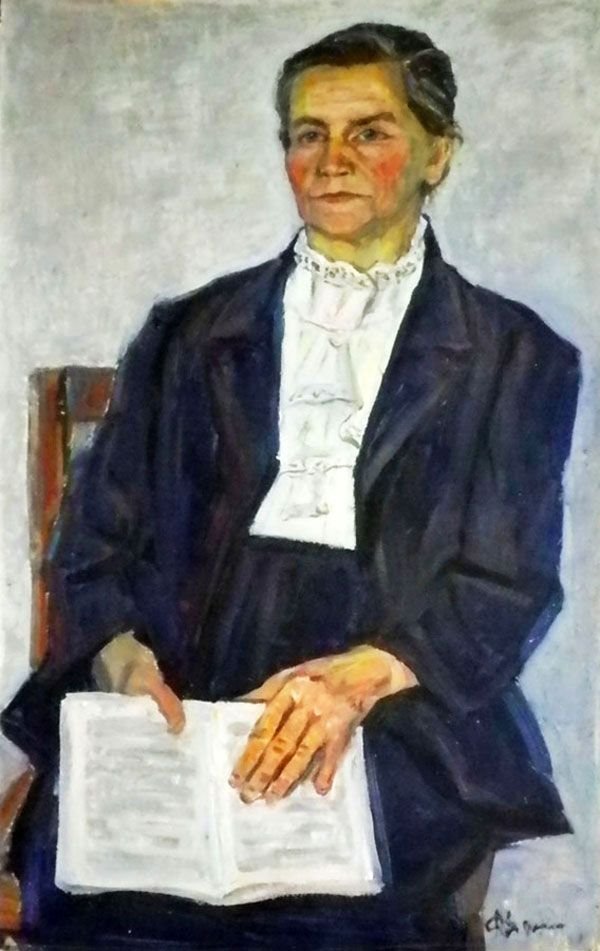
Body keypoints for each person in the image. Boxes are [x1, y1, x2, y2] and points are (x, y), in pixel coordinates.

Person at [2, 21, 581, 951]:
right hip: (184, 688)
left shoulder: (517, 356)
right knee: (104, 900)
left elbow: (504, 586)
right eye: (309, 134)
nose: (333, 159)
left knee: (345, 915)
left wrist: (358, 679)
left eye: (370, 131)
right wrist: (121, 660)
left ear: (438, 154)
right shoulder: (186, 334)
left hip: (400, 702)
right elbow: (93, 548)